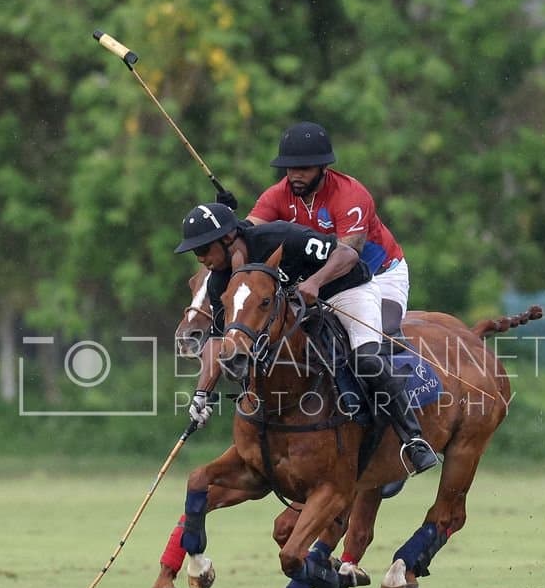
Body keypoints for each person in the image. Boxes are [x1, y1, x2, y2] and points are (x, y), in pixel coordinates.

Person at [175, 202, 438, 475]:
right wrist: (202, 394)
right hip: (301, 309)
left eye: (203, 249)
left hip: (345, 290)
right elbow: (219, 339)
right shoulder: (222, 281)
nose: (200, 258)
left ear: (228, 238)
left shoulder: (278, 236)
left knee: (367, 359)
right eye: (195, 252)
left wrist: (316, 281)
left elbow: (346, 255)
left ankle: (413, 440)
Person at [247, 122, 410, 339]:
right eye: (290, 168)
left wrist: (314, 282)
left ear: (324, 167)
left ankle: (413, 372)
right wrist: (227, 223)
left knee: (383, 337)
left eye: (304, 169)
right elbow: (247, 234)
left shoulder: (350, 195)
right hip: (319, 283)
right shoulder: (276, 195)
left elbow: (347, 255)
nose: (295, 175)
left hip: (379, 275)